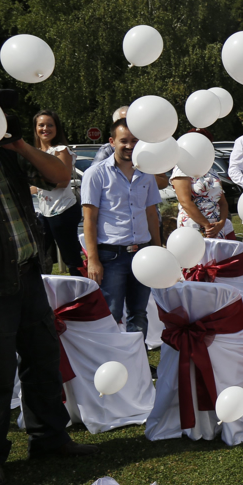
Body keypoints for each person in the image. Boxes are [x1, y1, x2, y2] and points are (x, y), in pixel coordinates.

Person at [0, 93, 98, 485]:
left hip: (28, 272)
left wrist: (17, 143)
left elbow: (60, 177)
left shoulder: (7, 152)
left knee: (43, 360)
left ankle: (49, 438)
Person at [81, 119, 161, 339]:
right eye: (123, 141)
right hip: (111, 256)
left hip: (143, 253)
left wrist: (157, 249)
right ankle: (112, 357)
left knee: (139, 313)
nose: (129, 146)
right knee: (111, 314)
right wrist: (93, 260)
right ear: (112, 141)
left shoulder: (147, 172)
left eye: (134, 141)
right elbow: (89, 219)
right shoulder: (96, 173)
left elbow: (151, 214)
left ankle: (138, 357)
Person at [28, 110, 83, 276]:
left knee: (71, 258)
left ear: (57, 128)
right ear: (35, 128)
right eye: (41, 125)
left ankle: (84, 288)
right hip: (44, 212)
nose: (45, 129)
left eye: (50, 125)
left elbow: (63, 181)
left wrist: (35, 185)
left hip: (63, 210)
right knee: (40, 255)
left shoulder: (61, 150)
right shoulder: (35, 152)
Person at [171, 129, 234, 239]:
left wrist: (221, 223)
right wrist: (206, 225)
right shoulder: (182, 169)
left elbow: (222, 202)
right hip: (194, 226)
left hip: (216, 227)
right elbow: (185, 201)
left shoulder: (211, 171)